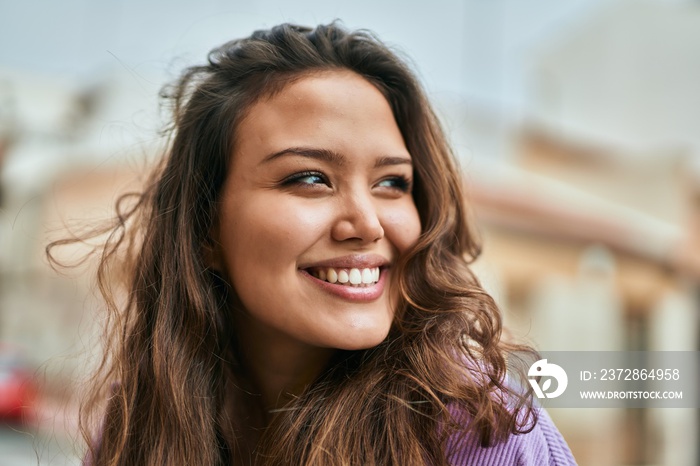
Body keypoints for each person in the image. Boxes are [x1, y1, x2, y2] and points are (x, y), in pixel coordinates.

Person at [54, 22, 576, 465]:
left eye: (392, 182)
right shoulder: (143, 426)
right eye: (310, 178)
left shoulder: (481, 433)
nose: (368, 224)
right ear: (205, 226)